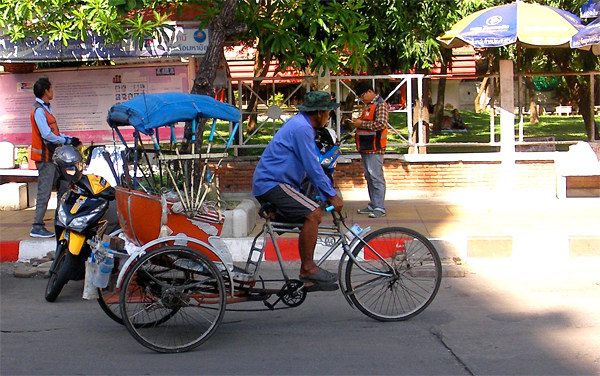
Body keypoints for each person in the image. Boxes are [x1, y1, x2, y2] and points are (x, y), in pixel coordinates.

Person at [252, 91, 344, 286]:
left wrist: (323, 193)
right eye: (328, 113)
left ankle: (279, 215)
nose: (328, 118)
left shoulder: (301, 125)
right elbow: (312, 166)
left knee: (307, 214)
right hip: (273, 183)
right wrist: (332, 195)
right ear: (319, 113)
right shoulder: (302, 128)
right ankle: (308, 268)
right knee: (314, 214)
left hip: (278, 183)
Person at [30, 77, 80, 238]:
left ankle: (60, 220)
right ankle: (37, 226)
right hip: (45, 157)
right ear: (46, 90)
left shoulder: (45, 108)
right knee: (44, 192)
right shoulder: (39, 110)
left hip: (53, 156)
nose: (53, 91)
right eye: (51, 88)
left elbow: (54, 134)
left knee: (64, 184)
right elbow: (47, 135)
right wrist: (66, 140)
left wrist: (68, 139)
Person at [348, 82, 389, 218]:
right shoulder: (369, 106)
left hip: (375, 147)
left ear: (369, 91)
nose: (361, 99)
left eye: (361, 96)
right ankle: (373, 204)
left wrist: (362, 124)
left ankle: (379, 207)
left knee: (376, 177)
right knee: (369, 177)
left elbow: (381, 124)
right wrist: (357, 122)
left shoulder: (380, 105)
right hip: (366, 147)